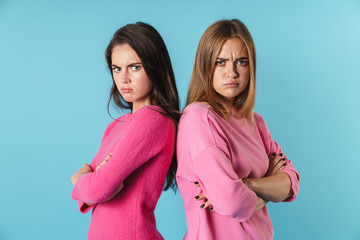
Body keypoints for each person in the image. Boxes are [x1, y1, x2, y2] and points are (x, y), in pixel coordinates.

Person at [176, 19, 300, 240]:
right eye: (220, 62)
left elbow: (291, 182)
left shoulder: (256, 122)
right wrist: (267, 189)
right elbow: (231, 201)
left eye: (241, 62)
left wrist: (247, 184)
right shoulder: (198, 118)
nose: (231, 72)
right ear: (205, 65)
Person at [70, 22, 180, 240]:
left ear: (155, 66)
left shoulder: (154, 119)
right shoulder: (116, 126)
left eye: (135, 67)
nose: (123, 79)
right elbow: (93, 194)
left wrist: (82, 180)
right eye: (116, 68)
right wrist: (93, 184)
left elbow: (95, 189)